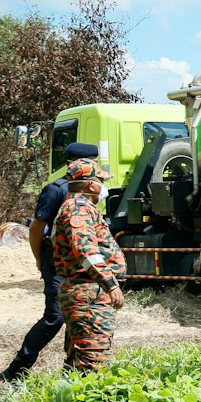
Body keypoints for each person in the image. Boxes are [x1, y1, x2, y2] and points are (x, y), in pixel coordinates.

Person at [0, 142, 101, 381]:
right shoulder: (56, 189)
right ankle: (16, 370)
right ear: (72, 163)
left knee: (77, 315)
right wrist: (39, 259)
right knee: (55, 317)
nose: (94, 166)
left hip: (78, 265)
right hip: (56, 263)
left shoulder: (91, 188)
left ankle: (72, 370)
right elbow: (36, 229)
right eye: (90, 162)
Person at [50, 158, 126, 371]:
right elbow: (86, 251)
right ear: (91, 185)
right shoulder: (78, 209)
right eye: (101, 181)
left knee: (79, 361)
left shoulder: (78, 207)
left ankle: (70, 400)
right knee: (93, 362)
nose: (104, 187)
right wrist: (110, 284)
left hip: (86, 291)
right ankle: (92, 401)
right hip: (88, 294)